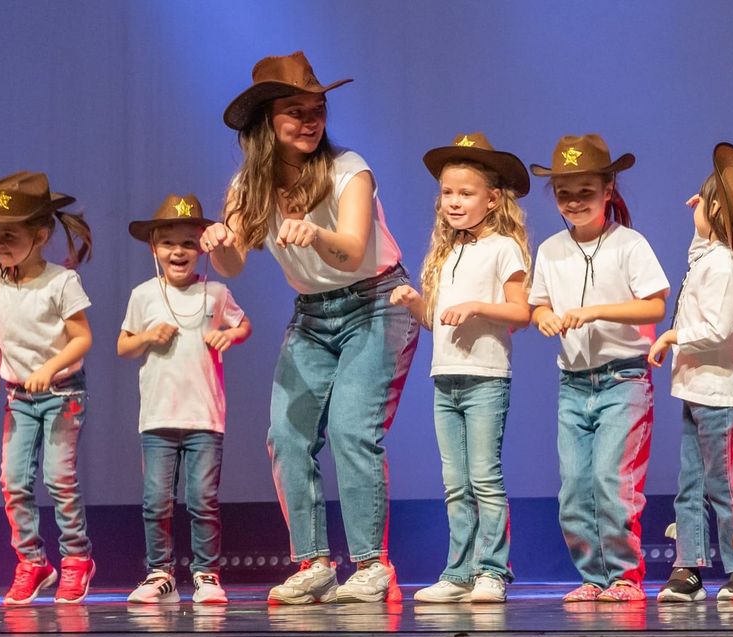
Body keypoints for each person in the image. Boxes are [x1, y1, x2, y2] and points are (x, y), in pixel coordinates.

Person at [202, 51, 418, 604]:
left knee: (351, 429)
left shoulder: (350, 169)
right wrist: (221, 244)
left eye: (316, 108)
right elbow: (233, 265)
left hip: (376, 302)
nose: (309, 120)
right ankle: (314, 562)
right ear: (265, 122)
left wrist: (315, 235)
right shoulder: (248, 186)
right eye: (294, 111)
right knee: (286, 437)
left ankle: (371, 564)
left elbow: (349, 252)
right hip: (314, 316)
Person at [528, 134, 669, 603]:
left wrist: (593, 311)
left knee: (612, 482)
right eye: (564, 193)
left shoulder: (628, 244)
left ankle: (624, 577)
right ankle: (594, 576)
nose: (573, 202)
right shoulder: (550, 250)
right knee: (575, 487)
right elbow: (538, 306)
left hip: (623, 378)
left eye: (585, 191)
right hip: (573, 383)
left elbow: (653, 306)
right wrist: (544, 316)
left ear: (608, 190)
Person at [391, 133, 531, 603]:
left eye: (466, 193)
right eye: (448, 192)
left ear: (491, 200)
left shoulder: (504, 248)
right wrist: (416, 304)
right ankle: (459, 573)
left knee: (484, 478)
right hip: (445, 378)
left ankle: (492, 570)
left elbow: (521, 312)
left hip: (486, 378)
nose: (454, 201)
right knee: (455, 483)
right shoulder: (446, 251)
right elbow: (438, 320)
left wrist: (476, 306)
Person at [648, 143, 733, 603]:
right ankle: (689, 566)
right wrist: (702, 218)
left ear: (718, 209)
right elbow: (698, 259)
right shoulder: (710, 257)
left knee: (722, 483)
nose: (694, 209)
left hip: (721, 394)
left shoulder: (725, 267)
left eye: (702, 203)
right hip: (697, 389)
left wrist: (672, 336)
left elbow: (717, 328)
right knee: (690, 483)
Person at [0, 171, 97, 605]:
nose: (0, 243)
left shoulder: (60, 281)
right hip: (19, 397)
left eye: (11, 234)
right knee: (13, 482)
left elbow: (81, 338)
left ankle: (77, 559)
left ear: (40, 235)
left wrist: (51, 367)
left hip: (62, 394)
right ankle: (32, 561)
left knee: (59, 479)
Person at [118, 194, 251, 605]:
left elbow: (243, 323)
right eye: (168, 243)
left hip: (204, 418)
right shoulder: (144, 294)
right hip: (158, 418)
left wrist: (229, 334)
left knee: (202, 500)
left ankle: (206, 573)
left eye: (188, 243)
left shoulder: (215, 292)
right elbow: (123, 345)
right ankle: (160, 573)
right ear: (153, 248)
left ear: (202, 248)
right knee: (156, 500)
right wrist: (146, 338)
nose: (178, 251)